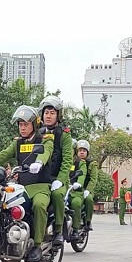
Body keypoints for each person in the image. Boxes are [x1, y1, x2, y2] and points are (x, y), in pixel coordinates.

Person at [0, 105, 55, 262]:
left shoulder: (45, 140)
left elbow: (46, 153)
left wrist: (39, 163)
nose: (22, 128)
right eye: (20, 124)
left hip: (41, 187)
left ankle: (37, 244)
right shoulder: (17, 143)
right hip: (22, 187)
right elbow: (4, 154)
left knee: (38, 205)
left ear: (34, 125)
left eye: (26, 124)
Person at [38, 95, 73, 246]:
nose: (48, 116)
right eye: (46, 112)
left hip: (57, 178)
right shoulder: (37, 133)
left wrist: (60, 179)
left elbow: (67, 160)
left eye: (52, 113)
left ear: (58, 115)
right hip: (40, 178)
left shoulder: (64, 134)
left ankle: (58, 229)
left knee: (58, 195)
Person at [69, 140, 89, 239]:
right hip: (64, 189)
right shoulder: (65, 161)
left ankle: (75, 229)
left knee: (76, 203)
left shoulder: (81, 163)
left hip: (76, 191)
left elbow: (83, 174)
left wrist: (79, 183)